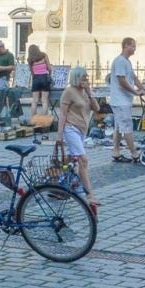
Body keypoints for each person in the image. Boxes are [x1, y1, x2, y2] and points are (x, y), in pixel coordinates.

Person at [56, 66, 99, 205]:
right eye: (83, 77)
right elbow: (62, 113)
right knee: (83, 160)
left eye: (87, 77)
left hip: (82, 130)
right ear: (76, 78)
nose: (86, 79)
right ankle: (90, 195)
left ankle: (57, 184)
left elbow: (97, 108)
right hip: (70, 128)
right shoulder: (69, 92)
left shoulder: (85, 92)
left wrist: (89, 92)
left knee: (69, 159)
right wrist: (60, 134)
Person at [108, 37, 143, 163]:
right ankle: (134, 153)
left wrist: (143, 88)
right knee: (127, 127)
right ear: (126, 46)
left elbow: (133, 77)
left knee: (118, 127)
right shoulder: (120, 62)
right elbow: (122, 81)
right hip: (120, 100)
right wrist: (135, 92)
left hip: (124, 100)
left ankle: (116, 152)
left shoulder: (127, 62)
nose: (134, 49)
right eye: (133, 46)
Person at [0, 41, 19, 124]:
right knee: (0, 96)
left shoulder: (9, 55)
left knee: (2, 95)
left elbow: (13, 67)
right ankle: (3, 113)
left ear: (3, 47)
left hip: (3, 77)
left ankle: (3, 114)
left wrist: (2, 68)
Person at [27, 44, 53, 121]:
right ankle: (43, 119)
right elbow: (49, 68)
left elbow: (32, 72)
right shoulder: (44, 55)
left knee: (34, 101)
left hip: (36, 79)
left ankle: (33, 119)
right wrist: (49, 74)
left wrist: (35, 77)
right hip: (45, 78)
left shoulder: (30, 59)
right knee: (44, 101)